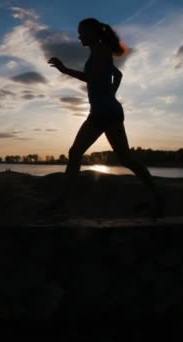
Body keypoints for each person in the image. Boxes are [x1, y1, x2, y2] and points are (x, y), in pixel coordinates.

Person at [47, 18, 164, 217]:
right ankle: (159, 198)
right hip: (111, 110)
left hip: (102, 113)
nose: (79, 36)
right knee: (126, 158)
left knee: (75, 153)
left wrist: (64, 70)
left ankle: (61, 202)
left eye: (82, 32)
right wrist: (111, 94)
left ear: (93, 32)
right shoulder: (99, 52)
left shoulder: (100, 51)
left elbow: (92, 78)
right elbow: (117, 76)